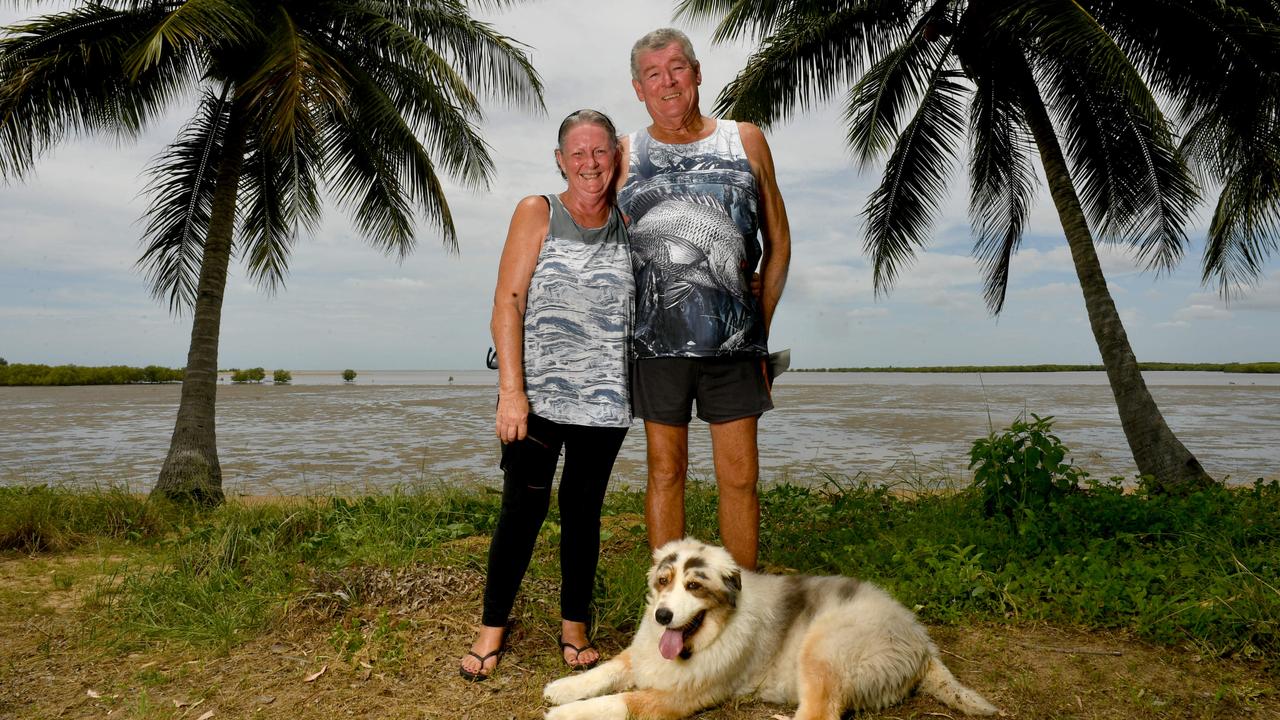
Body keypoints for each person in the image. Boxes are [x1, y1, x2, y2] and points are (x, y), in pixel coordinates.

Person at [459, 109, 633, 681]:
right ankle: (492, 628)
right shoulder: (538, 211)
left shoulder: (632, 220)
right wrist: (512, 393)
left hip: (606, 400)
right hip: (536, 398)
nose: (589, 163)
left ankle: (574, 626)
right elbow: (506, 302)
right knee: (522, 512)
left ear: (616, 158)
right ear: (560, 160)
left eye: (600, 152)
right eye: (577, 153)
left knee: (583, 513)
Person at [617, 28, 791, 572]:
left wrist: (756, 323)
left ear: (696, 74)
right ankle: (668, 597)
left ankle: (745, 605)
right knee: (665, 472)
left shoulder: (745, 139)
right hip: (654, 347)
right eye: (653, 74)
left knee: (740, 478)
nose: (667, 82)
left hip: (736, 350)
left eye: (676, 69)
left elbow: (779, 241)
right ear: (639, 88)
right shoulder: (624, 152)